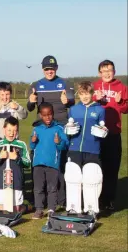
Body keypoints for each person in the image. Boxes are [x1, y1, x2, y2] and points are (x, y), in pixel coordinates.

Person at [26, 55, 75, 210]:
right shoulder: (35, 85)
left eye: (52, 68)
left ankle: (60, 199)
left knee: (59, 164)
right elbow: (30, 108)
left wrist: (68, 101)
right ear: (43, 69)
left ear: (56, 68)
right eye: (47, 69)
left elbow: (72, 101)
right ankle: (40, 200)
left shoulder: (65, 83)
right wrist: (31, 100)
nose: (49, 71)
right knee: (39, 165)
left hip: (60, 127)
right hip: (41, 129)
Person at [64, 81, 106, 216]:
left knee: (91, 178)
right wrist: (68, 130)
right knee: (73, 177)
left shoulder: (100, 110)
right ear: (79, 95)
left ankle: (91, 208)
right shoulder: (74, 109)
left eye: (87, 93)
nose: (85, 97)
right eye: (82, 94)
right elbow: (69, 127)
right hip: (74, 148)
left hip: (92, 148)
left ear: (92, 94)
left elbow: (103, 128)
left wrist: (103, 130)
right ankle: (73, 207)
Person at [92, 60, 128, 212]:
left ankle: (109, 199)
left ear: (114, 72)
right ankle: (95, 198)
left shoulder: (121, 87)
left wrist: (120, 102)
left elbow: (126, 109)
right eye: (104, 71)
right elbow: (88, 103)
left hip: (113, 133)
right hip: (97, 134)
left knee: (112, 168)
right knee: (97, 167)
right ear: (100, 73)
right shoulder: (95, 86)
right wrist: (97, 99)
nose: (107, 73)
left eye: (110, 70)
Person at [29, 102, 69, 219]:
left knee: (52, 188)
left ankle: (51, 209)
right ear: (41, 115)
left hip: (53, 164)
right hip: (38, 164)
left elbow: (64, 146)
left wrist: (59, 143)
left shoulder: (59, 128)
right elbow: (32, 146)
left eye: (50, 114)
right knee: (38, 188)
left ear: (53, 114)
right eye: (45, 115)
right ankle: (39, 209)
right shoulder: (36, 129)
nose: (47, 117)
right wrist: (33, 141)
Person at [0, 117, 31, 212]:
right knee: (2, 210)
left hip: (16, 181)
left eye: (15, 130)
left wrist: (16, 158)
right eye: (9, 130)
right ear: (4, 129)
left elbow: (28, 163)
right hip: (0, 182)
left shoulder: (21, 144)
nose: (12, 133)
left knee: (15, 210)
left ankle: (25, 207)